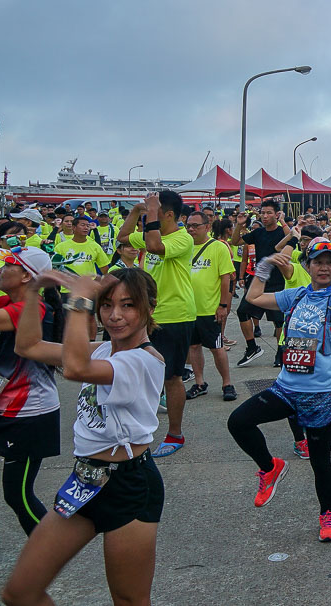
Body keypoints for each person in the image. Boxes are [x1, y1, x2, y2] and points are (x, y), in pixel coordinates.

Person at [1, 268, 166, 606]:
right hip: (85, 482)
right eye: (106, 305)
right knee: (20, 593)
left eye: (128, 305)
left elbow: (75, 368)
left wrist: (80, 299)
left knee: (129, 600)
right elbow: (28, 345)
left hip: (129, 487)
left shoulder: (144, 361)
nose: (115, 315)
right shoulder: (103, 351)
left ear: (149, 307)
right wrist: (32, 292)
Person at [227, 237, 331, 542]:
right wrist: (264, 265)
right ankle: (270, 468)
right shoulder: (297, 296)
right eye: (318, 262)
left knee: (320, 461)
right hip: (286, 387)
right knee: (238, 422)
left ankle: (327, 514)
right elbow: (253, 299)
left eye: (329, 262)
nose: (324, 267)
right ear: (307, 266)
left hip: (321, 394)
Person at [0, 247, 60, 545]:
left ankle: (48, 553)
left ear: (25, 277)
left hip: (29, 416)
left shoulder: (31, 309)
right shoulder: (9, 300)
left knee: (17, 496)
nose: (0, 269)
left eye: (8, 264)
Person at [118, 190, 196, 459]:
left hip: (175, 316)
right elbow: (124, 238)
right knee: (137, 372)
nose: (152, 215)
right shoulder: (153, 230)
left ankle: (175, 433)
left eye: (157, 211)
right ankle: (136, 429)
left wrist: (150, 212)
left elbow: (153, 246)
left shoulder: (182, 238)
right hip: (147, 315)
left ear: (169, 215)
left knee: (171, 377)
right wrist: (136, 211)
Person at [184, 213, 236, 402]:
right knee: (193, 346)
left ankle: (227, 383)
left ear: (207, 227)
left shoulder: (218, 247)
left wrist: (223, 305)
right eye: (188, 225)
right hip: (188, 309)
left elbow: (226, 278)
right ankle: (199, 383)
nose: (191, 229)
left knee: (217, 347)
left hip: (209, 309)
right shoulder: (184, 246)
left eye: (195, 226)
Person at [230, 201, 290, 365]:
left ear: (276, 214)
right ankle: (252, 347)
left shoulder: (281, 231)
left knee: (279, 321)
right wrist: (239, 224)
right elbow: (235, 242)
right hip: (259, 282)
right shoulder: (258, 233)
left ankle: (280, 351)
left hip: (277, 282)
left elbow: (291, 238)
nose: (265, 216)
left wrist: (283, 221)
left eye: (269, 213)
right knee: (242, 312)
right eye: (263, 213)